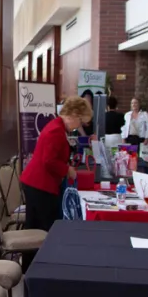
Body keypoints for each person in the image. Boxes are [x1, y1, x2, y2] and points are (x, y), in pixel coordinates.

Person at [19, 97, 94, 264]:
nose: (79, 125)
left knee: (34, 227)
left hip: (35, 182)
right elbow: (48, 160)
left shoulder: (58, 127)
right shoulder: (56, 131)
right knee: (44, 227)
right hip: (40, 184)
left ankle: (30, 266)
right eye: (80, 121)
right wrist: (66, 169)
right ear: (74, 115)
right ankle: (41, 265)